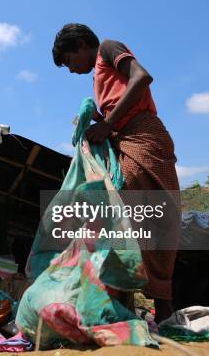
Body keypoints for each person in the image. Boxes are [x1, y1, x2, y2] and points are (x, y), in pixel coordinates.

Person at [52, 23, 180, 322]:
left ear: (82, 44)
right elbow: (116, 106)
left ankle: (161, 307)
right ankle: (129, 308)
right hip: (126, 139)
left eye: (70, 61)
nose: (71, 70)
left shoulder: (108, 48)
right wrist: (97, 118)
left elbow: (142, 77)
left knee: (133, 212)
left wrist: (108, 124)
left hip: (144, 137)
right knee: (123, 219)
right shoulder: (98, 76)